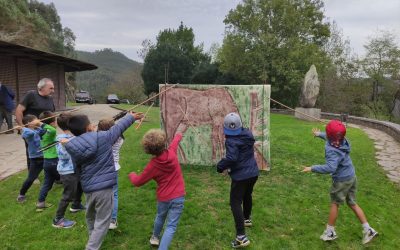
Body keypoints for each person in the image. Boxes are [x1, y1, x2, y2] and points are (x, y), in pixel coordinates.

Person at [61, 112, 143, 250]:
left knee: (90, 216)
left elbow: (77, 168)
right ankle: (92, 247)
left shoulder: (71, 145)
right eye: (91, 124)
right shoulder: (103, 137)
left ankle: (93, 239)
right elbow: (118, 128)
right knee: (103, 221)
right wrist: (131, 117)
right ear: (88, 128)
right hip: (104, 188)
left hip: (88, 188)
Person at [302, 120, 378, 244]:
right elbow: (331, 136)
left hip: (342, 180)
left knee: (335, 204)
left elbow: (330, 167)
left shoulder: (332, 150)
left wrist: (312, 168)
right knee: (352, 203)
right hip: (351, 176)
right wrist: (319, 134)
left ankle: (330, 232)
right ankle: (368, 229)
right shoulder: (342, 140)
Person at [129, 129, 185, 250]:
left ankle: (155, 237)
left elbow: (138, 182)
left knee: (160, 216)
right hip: (179, 197)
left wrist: (132, 175)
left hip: (164, 198)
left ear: (148, 149)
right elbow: (175, 141)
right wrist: (179, 134)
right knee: (171, 226)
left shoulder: (152, 165)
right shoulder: (172, 153)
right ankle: (156, 240)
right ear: (164, 142)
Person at [216, 112, 259, 249]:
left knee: (235, 202)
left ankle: (241, 237)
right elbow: (238, 157)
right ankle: (246, 219)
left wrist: (220, 166)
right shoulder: (248, 134)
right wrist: (228, 167)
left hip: (241, 177)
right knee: (247, 195)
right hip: (253, 173)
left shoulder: (230, 141)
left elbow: (232, 158)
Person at [15, 78, 55, 173]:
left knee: (48, 150)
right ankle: (32, 174)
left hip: (45, 130)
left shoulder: (50, 98)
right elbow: (18, 111)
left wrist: (54, 126)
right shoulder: (31, 95)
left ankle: (50, 172)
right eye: (51, 88)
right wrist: (22, 127)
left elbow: (52, 114)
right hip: (32, 131)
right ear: (42, 88)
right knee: (32, 152)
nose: (53, 91)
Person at [53, 113, 84, 228]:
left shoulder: (74, 137)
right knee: (68, 195)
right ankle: (58, 219)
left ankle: (76, 205)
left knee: (80, 186)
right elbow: (64, 156)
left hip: (75, 169)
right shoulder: (62, 139)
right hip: (67, 171)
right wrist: (68, 145)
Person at [97, 119, 124, 230]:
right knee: (113, 194)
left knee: (103, 193)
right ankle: (112, 220)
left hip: (102, 169)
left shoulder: (101, 139)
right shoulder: (120, 138)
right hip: (113, 168)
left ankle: (106, 218)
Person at [16, 115, 45, 202]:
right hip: (36, 159)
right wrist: (22, 128)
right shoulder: (27, 133)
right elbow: (27, 134)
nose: (38, 121)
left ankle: (60, 181)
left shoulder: (37, 129)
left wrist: (40, 124)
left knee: (55, 170)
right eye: (36, 120)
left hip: (44, 155)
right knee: (31, 178)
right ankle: (21, 194)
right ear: (29, 123)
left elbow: (44, 131)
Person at [36, 111, 60, 211]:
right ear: (51, 123)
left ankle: (40, 203)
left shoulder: (42, 132)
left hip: (47, 162)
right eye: (55, 121)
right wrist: (40, 123)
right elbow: (52, 130)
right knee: (69, 179)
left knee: (47, 183)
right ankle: (74, 202)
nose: (56, 124)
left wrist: (40, 124)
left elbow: (48, 129)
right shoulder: (51, 132)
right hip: (54, 161)